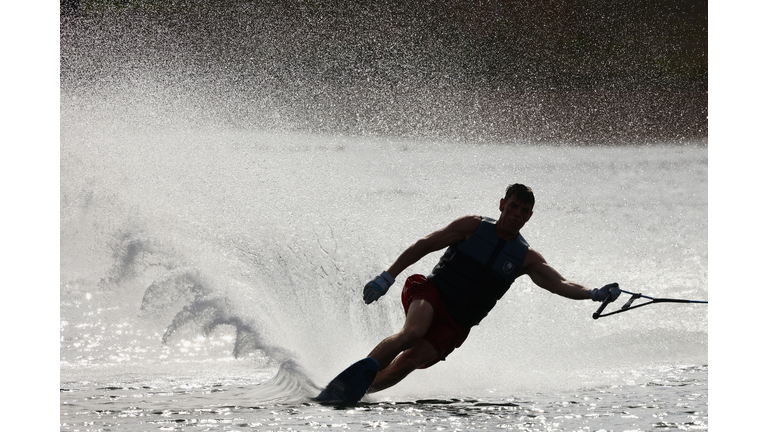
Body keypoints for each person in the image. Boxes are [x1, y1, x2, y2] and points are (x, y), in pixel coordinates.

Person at [356, 183, 620, 395]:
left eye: (522, 211)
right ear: (502, 205)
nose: (516, 214)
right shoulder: (473, 226)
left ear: (529, 217)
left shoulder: (525, 258)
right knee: (412, 334)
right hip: (431, 294)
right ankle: (357, 376)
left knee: (410, 361)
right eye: (513, 206)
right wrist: (387, 277)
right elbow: (425, 244)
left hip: (457, 324)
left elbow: (560, 283)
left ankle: (358, 390)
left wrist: (593, 293)